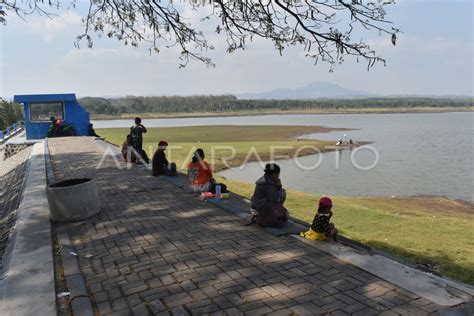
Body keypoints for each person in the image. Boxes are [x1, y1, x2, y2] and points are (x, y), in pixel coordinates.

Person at [250, 163, 288, 228]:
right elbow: (274, 200)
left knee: (282, 193)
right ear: (272, 174)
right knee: (283, 194)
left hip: (258, 205)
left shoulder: (266, 179)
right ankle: (265, 215)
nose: (278, 175)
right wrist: (279, 186)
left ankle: (274, 212)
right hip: (262, 206)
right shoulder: (267, 184)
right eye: (277, 173)